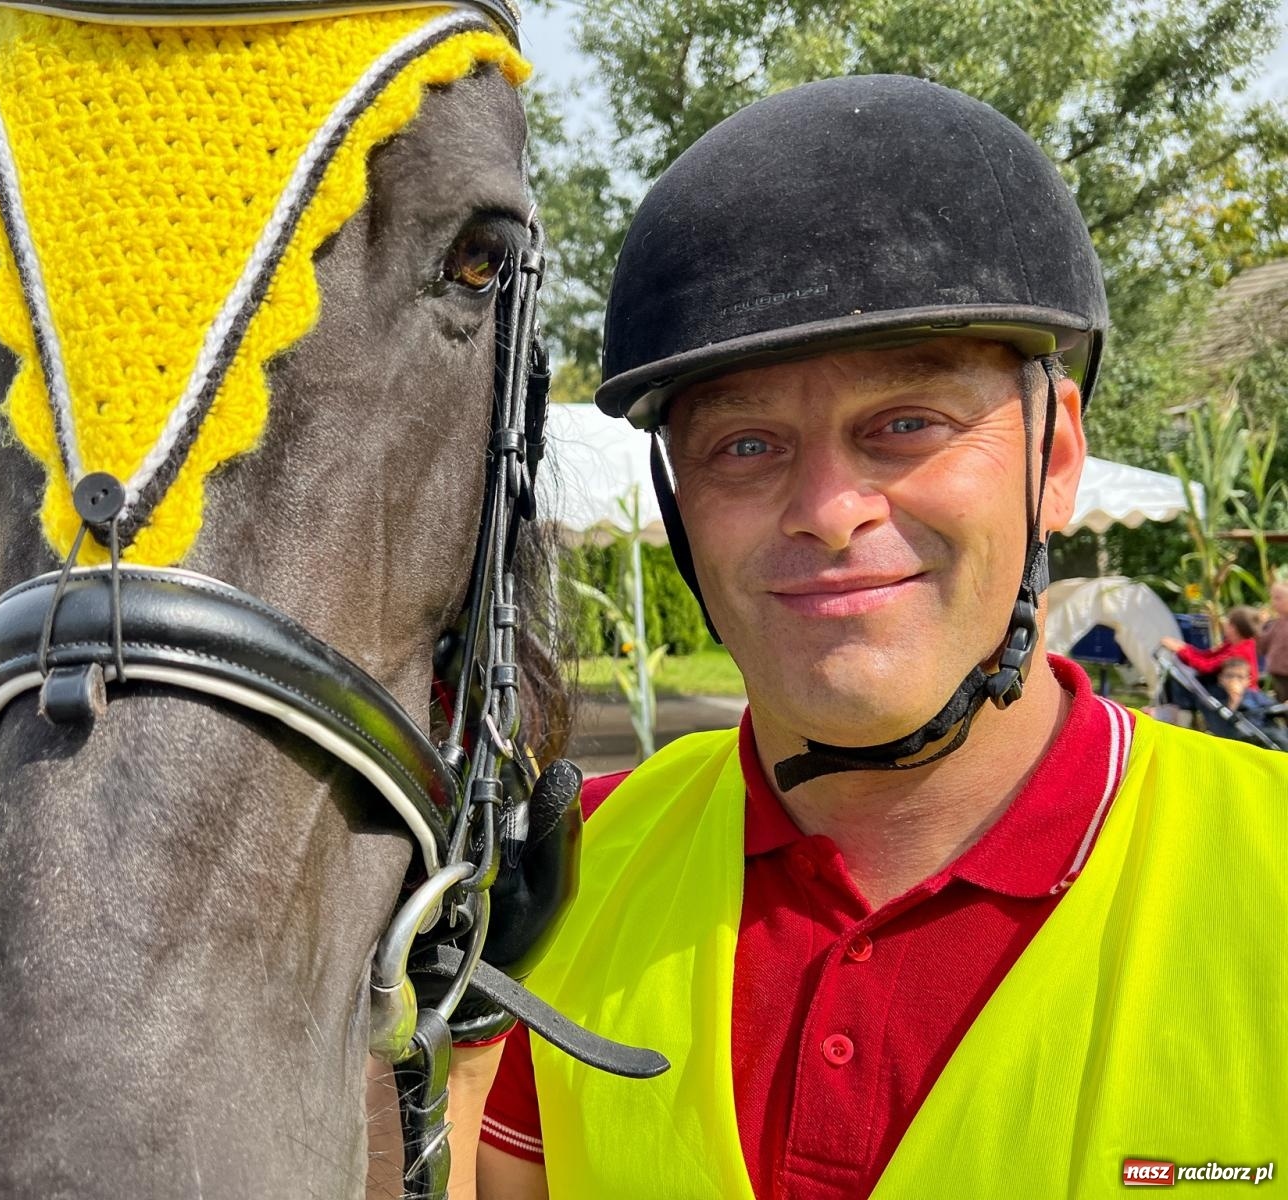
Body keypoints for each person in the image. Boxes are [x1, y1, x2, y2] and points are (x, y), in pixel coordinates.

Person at [447, 76, 1286, 1200]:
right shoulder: (565, 877)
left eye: (905, 425)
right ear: (678, 500)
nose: (829, 508)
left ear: (1053, 458)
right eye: (744, 444)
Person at [1159, 605, 1260, 688]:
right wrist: (1184, 647)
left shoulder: (1237, 652)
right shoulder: (1239, 643)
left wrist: (1181, 650)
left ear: (1233, 628)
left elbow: (1206, 666)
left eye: (1228, 623)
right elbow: (1208, 656)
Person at [1208, 657, 1286, 747]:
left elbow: (1275, 708)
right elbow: (1221, 725)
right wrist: (1234, 700)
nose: (1234, 680)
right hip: (1239, 736)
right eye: (1229, 676)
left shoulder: (1255, 696)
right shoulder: (1215, 698)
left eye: (1240, 677)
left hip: (1263, 732)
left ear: (1248, 680)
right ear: (1221, 678)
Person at [1258, 581, 1288, 702]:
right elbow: (1262, 646)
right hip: (1278, 675)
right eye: (1272, 598)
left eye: (1278, 598)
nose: (1273, 602)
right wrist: (1260, 624)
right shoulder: (1276, 623)